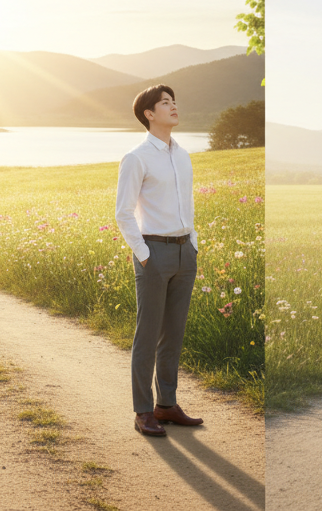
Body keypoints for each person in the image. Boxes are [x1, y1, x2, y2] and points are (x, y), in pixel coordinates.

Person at [115, 84, 204, 437]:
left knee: (174, 334)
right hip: (154, 253)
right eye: (164, 103)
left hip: (185, 252)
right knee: (148, 335)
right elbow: (123, 213)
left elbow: (188, 205)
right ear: (149, 114)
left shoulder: (183, 155)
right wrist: (145, 255)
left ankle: (166, 404)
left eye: (173, 101)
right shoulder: (137, 158)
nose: (173, 106)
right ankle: (142, 411)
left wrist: (193, 243)